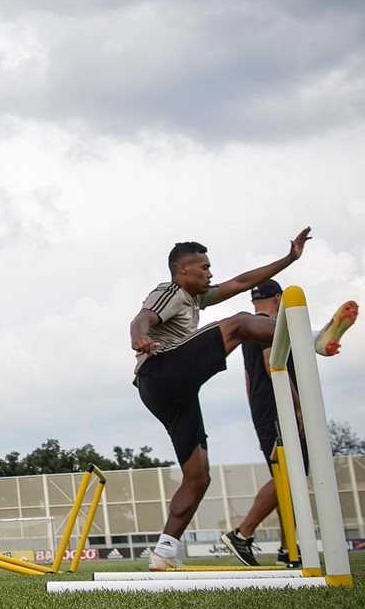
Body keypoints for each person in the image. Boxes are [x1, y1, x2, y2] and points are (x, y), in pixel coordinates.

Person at [129, 229, 310, 570]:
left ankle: (164, 554)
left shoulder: (196, 298)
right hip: (161, 370)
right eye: (205, 268)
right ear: (183, 271)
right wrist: (139, 336)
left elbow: (242, 282)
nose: (211, 274)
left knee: (198, 476)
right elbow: (143, 317)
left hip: (171, 394)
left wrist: (289, 259)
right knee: (241, 323)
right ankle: (312, 337)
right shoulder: (169, 291)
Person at [220, 282, 356, 566]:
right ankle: (241, 533)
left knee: (289, 478)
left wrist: (257, 413)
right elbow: (272, 363)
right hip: (279, 406)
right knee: (290, 474)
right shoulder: (268, 325)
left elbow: (248, 377)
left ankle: (288, 548)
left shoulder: (248, 329)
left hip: (263, 408)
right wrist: (297, 407)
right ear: (280, 298)